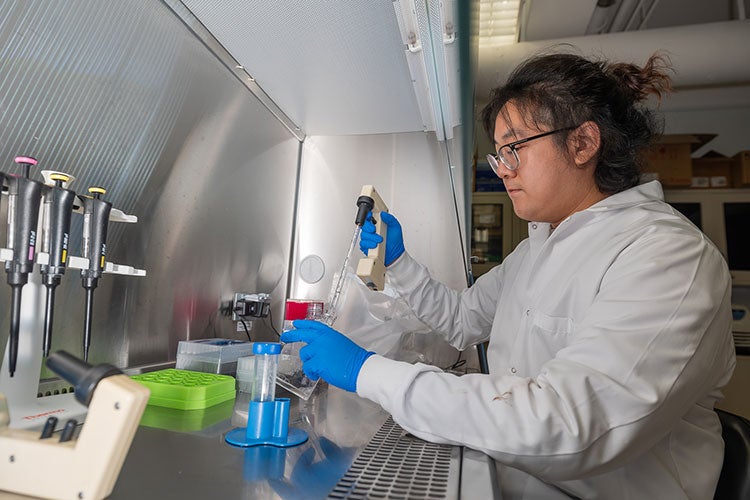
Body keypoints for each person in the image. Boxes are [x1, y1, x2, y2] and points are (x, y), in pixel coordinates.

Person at [281, 51, 736, 499]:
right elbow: (461, 320)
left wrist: (366, 372)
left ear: (582, 143)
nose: (503, 171)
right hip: (514, 476)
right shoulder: (537, 247)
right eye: (500, 155)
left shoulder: (666, 255)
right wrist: (398, 262)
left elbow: (569, 426)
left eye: (514, 149)